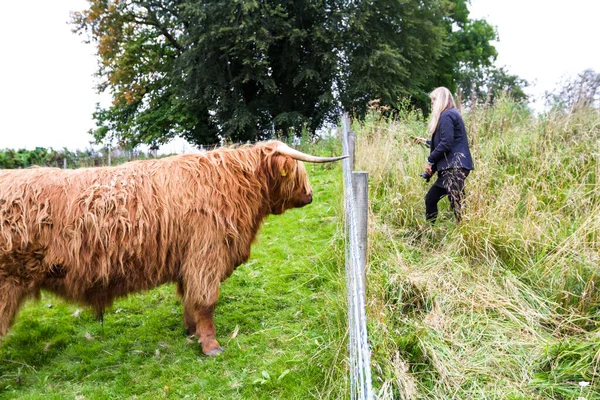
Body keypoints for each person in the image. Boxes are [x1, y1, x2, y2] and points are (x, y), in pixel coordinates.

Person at [414, 87, 473, 223]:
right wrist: (427, 142)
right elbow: (448, 142)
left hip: (454, 167)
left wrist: (430, 160)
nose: (432, 104)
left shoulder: (446, 115)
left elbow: (446, 143)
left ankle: (463, 233)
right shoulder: (451, 114)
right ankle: (432, 231)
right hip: (454, 166)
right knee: (446, 200)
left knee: (456, 204)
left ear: (441, 100)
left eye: (434, 100)